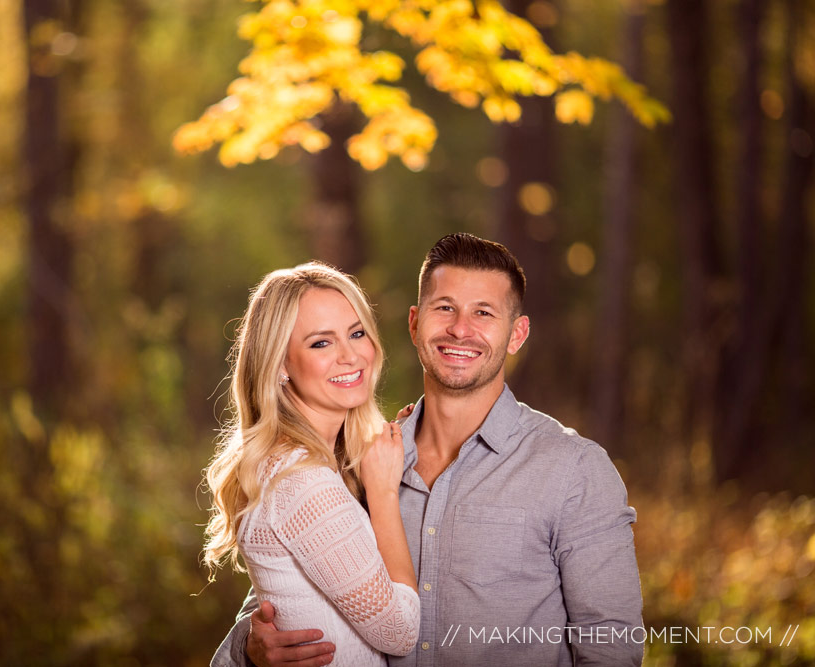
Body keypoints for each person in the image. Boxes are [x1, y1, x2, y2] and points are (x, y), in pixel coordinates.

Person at [212, 233, 643, 666]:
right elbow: (282, 595)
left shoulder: (573, 470)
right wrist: (249, 650)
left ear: (517, 335)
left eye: (484, 313)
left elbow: (611, 648)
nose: (460, 328)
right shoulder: (358, 460)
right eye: (445, 308)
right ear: (415, 323)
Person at [203, 262, 421, 666]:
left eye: (356, 333)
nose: (350, 355)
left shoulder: (306, 464)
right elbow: (400, 632)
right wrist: (384, 491)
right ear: (281, 364)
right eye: (321, 343)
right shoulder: (302, 480)